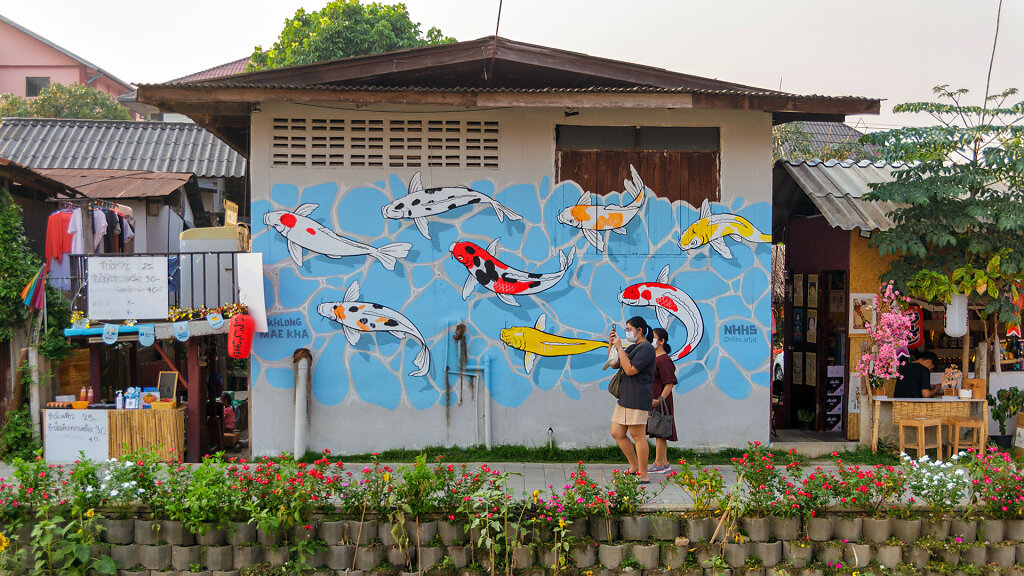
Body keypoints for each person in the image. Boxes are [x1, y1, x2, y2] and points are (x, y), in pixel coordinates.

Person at [609, 316, 657, 483]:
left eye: (629, 329)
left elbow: (630, 370)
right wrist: (613, 344)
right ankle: (634, 466)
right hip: (625, 397)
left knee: (638, 436)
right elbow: (615, 364)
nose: (627, 333)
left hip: (638, 398)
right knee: (616, 432)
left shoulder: (646, 349)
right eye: (626, 330)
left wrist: (621, 348)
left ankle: (643, 474)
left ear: (639, 330)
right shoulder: (634, 347)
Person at [648, 328, 677, 473]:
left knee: (660, 432)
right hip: (655, 400)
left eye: (653, 337)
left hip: (661, 400)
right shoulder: (655, 357)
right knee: (659, 432)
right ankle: (664, 462)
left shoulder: (664, 360)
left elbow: (669, 383)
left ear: (662, 341)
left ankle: (658, 464)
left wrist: (659, 400)